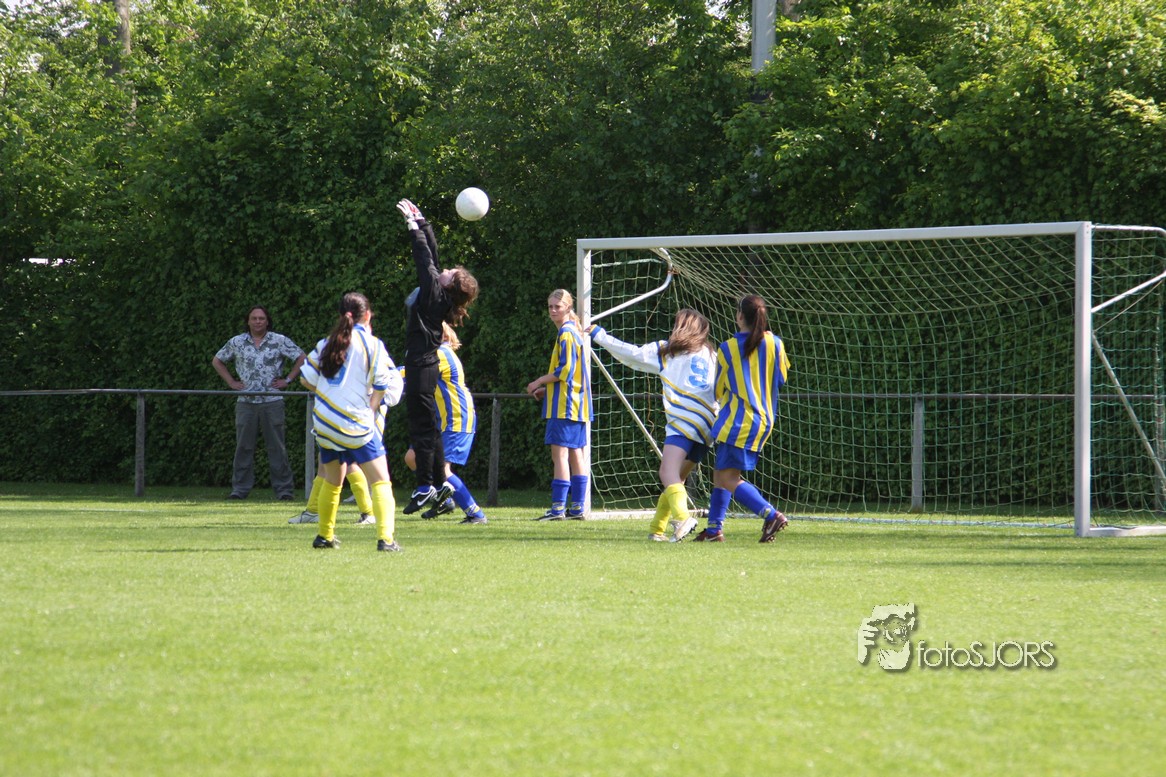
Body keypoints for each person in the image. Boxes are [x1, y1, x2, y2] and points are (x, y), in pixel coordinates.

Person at [588, 309, 718, 541]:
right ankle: (657, 530)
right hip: (708, 424)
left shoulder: (667, 351)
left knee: (666, 472)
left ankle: (683, 518)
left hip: (684, 420)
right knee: (676, 478)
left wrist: (599, 334)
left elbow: (631, 353)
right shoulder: (711, 354)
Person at [299, 292, 404, 551]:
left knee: (333, 480)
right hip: (355, 422)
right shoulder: (372, 344)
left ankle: (324, 536)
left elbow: (305, 378)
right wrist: (370, 409)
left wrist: (328, 396)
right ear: (367, 315)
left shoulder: (326, 342)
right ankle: (386, 540)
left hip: (324, 422)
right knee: (381, 480)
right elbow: (381, 384)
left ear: (341, 315)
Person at [397, 198, 480, 516]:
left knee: (421, 428)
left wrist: (413, 228)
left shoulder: (434, 293)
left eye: (450, 272)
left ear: (449, 285)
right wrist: (423, 222)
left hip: (420, 365)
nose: (445, 269)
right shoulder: (441, 292)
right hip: (425, 364)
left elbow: (424, 259)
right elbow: (433, 258)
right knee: (430, 427)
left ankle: (425, 486)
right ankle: (440, 484)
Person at [692, 294, 791, 543]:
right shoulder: (776, 344)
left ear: (739, 316)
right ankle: (714, 530)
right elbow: (781, 378)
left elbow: (718, 389)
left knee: (728, 478)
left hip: (738, 421)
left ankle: (771, 515)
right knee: (721, 474)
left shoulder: (728, 348)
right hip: (764, 419)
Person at [212, 305, 305, 500]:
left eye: (261, 318)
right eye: (254, 318)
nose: (257, 321)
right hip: (245, 402)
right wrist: (231, 382)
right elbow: (217, 361)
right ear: (248, 321)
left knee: (277, 447)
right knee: (243, 447)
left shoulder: (279, 340)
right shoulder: (237, 342)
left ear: (267, 321)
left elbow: (302, 358)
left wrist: (287, 380)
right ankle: (239, 490)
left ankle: (284, 491)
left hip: (273, 401)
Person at [402, 323, 488, 525]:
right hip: (442, 420)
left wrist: (384, 375)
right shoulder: (436, 352)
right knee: (412, 457)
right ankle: (445, 500)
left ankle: (475, 513)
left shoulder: (441, 353)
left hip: (456, 418)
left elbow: (413, 372)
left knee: (442, 469)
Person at [526, 289, 591, 520]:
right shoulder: (573, 332)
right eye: (550, 306)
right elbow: (572, 376)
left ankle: (557, 509)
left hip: (565, 406)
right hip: (576, 403)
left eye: (558, 306)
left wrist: (538, 381)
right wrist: (549, 391)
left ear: (568, 308)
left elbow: (565, 371)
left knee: (560, 455)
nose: (553, 310)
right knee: (575, 454)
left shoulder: (566, 333)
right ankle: (577, 508)